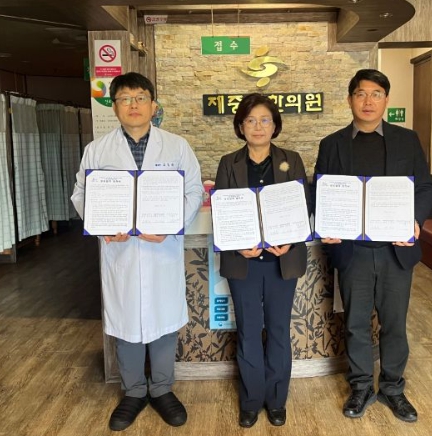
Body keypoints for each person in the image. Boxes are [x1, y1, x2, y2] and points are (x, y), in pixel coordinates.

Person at [71, 72, 203, 431]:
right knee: (126, 322)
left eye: (141, 97)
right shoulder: (97, 150)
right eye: (125, 98)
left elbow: (193, 192)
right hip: (121, 253)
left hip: (162, 251)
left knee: (163, 322)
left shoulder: (176, 146)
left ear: (153, 105)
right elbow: (81, 194)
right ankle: (133, 392)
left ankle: (162, 389)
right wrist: (101, 225)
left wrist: (170, 225)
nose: (133, 104)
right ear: (114, 106)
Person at [313, 69, 432, 423]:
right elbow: (321, 190)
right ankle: (362, 386)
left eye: (376, 94)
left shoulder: (407, 140)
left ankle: (393, 388)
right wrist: (326, 224)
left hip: (396, 249)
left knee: (394, 322)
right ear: (350, 99)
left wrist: (415, 221)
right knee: (355, 322)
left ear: (386, 100)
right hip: (354, 252)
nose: (368, 101)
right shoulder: (332, 144)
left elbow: (424, 187)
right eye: (361, 94)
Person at [214, 93, 309, 428]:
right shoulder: (229, 163)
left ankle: (277, 399)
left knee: (280, 329)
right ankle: (252, 400)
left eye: (265, 120)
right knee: (249, 330)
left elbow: (302, 208)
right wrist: (238, 245)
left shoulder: (291, 160)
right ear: (241, 126)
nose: (258, 126)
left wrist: (290, 240)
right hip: (244, 263)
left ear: (275, 125)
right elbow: (223, 212)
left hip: (283, 261)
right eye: (251, 120)